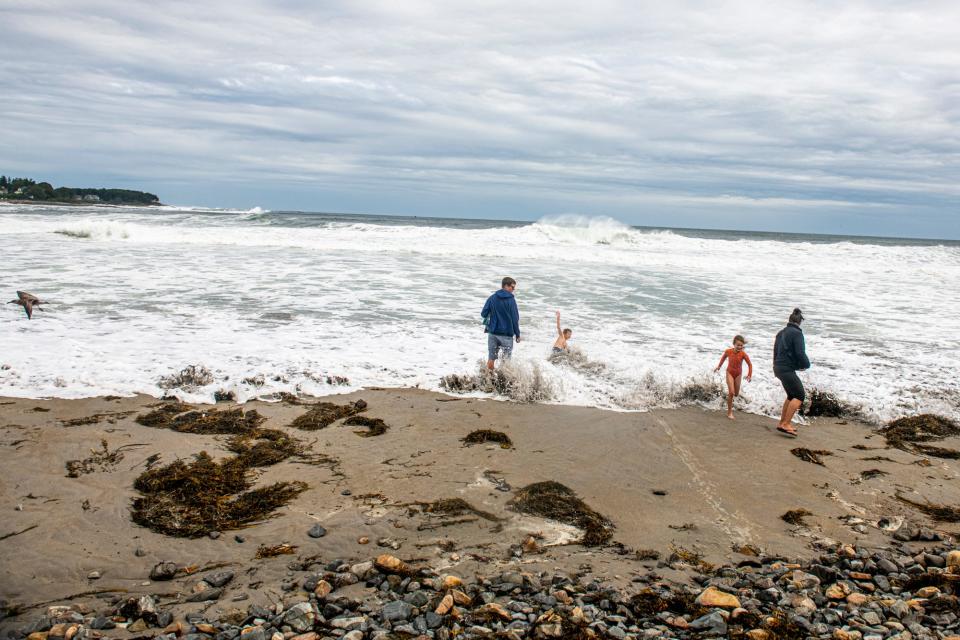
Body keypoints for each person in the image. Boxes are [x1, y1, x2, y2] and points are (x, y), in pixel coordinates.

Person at [773, 308, 810, 437]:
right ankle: (786, 424)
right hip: (786, 369)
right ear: (799, 322)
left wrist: (776, 366)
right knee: (799, 395)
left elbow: (776, 352)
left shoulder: (781, 333)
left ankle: (782, 423)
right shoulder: (797, 334)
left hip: (778, 367)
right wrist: (806, 365)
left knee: (791, 395)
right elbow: (800, 353)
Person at [481, 277, 521, 370]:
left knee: (491, 359)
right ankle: (502, 382)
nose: (513, 290)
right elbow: (515, 319)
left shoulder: (492, 298)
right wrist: (517, 334)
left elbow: (483, 314)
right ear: (506, 286)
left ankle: (490, 380)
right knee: (506, 361)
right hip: (506, 335)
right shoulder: (511, 300)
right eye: (512, 287)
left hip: (493, 333)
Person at [714, 334, 753, 420]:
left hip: (738, 374)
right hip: (729, 373)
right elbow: (723, 358)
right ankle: (729, 413)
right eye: (738, 345)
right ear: (734, 344)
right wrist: (719, 366)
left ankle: (728, 398)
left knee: (736, 394)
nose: (740, 347)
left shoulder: (743, 354)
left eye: (741, 345)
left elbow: (750, 364)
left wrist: (749, 375)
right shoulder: (728, 351)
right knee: (731, 392)